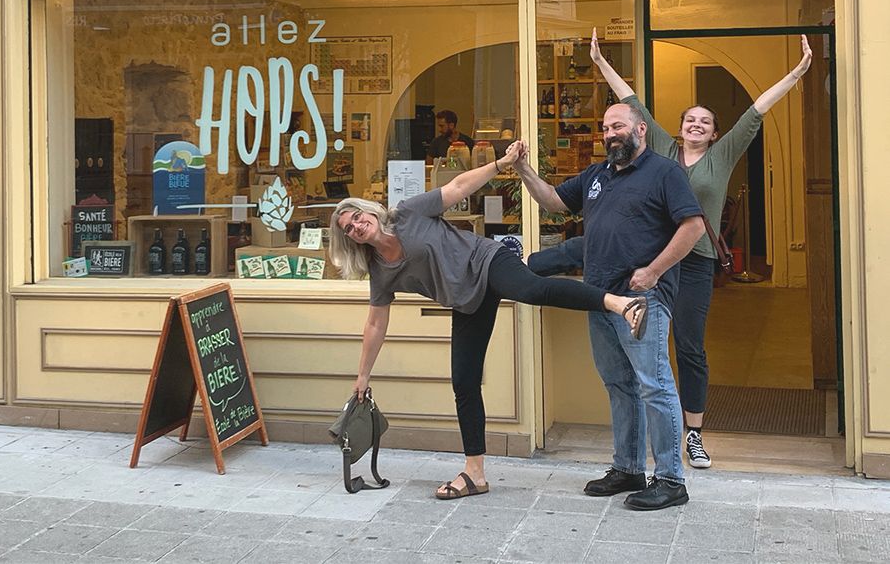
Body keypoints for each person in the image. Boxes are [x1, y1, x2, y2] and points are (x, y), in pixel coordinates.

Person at [330, 142, 648, 502]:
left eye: (357, 216)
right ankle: (475, 474)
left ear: (369, 212)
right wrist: (362, 375)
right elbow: (375, 324)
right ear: (349, 240)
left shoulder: (406, 214)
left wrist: (502, 163)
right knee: (464, 383)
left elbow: (459, 187)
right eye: (349, 228)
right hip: (466, 301)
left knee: (531, 289)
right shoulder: (379, 270)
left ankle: (621, 304)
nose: (357, 226)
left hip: (486, 262)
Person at [590, 29, 813, 469]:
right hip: (653, 262)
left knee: (689, 347)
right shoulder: (663, 148)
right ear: (678, 127)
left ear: (714, 135)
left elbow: (757, 110)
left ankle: (693, 434)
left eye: (705, 122)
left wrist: (797, 73)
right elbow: (632, 102)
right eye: (690, 119)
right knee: (643, 348)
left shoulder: (723, 155)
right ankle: (643, 441)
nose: (696, 125)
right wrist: (599, 62)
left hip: (694, 265)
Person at [514, 103, 704, 511]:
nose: (609, 134)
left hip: (641, 300)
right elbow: (552, 201)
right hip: (600, 298)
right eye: (605, 128)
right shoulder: (597, 175)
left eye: (617, 126)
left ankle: (671, 479)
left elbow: (694, 226)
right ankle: (629, 468)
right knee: (619, 385)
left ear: (640, 129)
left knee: (655, 386)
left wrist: (654, 271)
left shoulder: (665, 172)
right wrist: (523, 169)